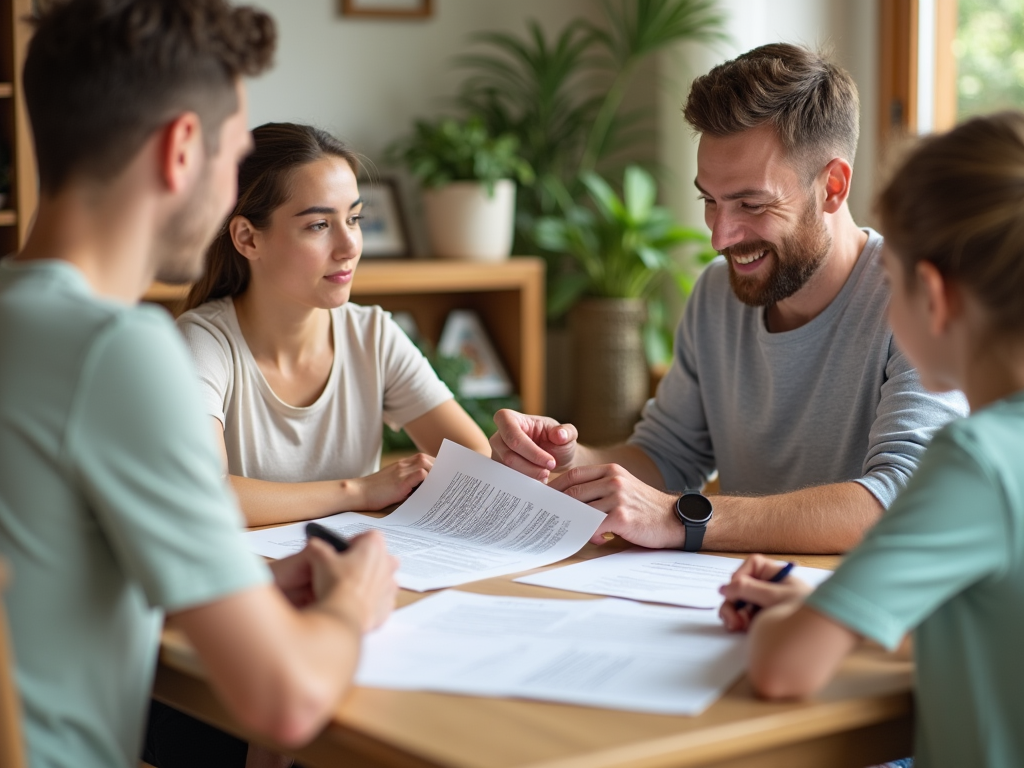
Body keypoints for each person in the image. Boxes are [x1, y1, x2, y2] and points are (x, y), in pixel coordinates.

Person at [0, 3, 398, 768]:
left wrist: (250, 580)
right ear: (183, 148)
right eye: (232, 154)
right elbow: (286, 700)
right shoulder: (115, 352)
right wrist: (355, 600)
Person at [490, 43, 967, 554]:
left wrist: (683, 518)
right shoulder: (717, 296)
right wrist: (569, 463)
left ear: (832, 186)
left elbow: (904, 498)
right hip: (737, 600)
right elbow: (667, 455)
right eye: (710, 201)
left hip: (855, 610)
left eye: (751, 203)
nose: (720, 237)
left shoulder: (921, 302)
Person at [718, 110, 1024, 768]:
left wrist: (795, 622)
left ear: (934, 297)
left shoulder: (978, 463)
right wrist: (841, 607)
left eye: (890, 285)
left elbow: (784, 669)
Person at [175, 122, 490, 528]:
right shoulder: (202, 343)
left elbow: (475, 463)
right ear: (248, 239)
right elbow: (204, 493)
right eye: (319, 225)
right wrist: (357, 491)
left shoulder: (373, 335)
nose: (350, 246)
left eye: (355, 218)